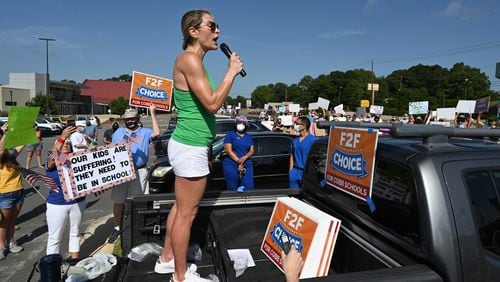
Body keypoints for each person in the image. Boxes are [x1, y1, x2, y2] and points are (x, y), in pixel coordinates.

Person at [156, 9, 243, 281]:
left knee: (180, 209)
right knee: (187, 214)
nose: (218, 31)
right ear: (194, 31)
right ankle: (180, 277)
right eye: (212, 26)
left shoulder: (195, 62)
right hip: (189, 144)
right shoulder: (189, 59)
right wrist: (231, 72)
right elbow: (213, 103)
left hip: (193, 144)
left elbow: (206, 105)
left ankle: (167, 259)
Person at [108, 105, 160, 243]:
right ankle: (117, 227)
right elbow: (110, 150)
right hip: (121, 172)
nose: (130, 121)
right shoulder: (118, 132)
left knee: (139, 200)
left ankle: (137, 226)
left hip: (139, 171)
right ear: (124, 120)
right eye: (127, 119)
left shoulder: (145, 132)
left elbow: (157, 134)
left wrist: (153, 113)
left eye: (133, 118)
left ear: (137, 119)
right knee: (119, 201)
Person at [45, 125, 86, 260]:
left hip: (77, 201)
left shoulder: (77, 160)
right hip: (57, 204)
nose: (66, 145)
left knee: (75, 233)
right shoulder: (53, 162)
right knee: (55, 237)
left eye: (68, 143)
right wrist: (62, 137)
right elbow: (53, 157)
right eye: (63, 144)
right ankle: (52, 266)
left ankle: (74, 260)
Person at [0, 123, 25, 260]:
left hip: (19, 191)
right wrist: (6, 134)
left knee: (12, 221)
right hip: (4, 194)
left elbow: (22, 144)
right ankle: (1, 247)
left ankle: (11, 242)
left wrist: (27, 129)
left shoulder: (12, 157)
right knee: (3, 222)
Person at [222, 117, 254, 191]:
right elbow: (228, 150)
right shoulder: (230, 135)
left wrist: (244, 158)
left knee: (248, 186)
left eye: (242, 124)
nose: (240, 125)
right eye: (239, 123)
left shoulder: (249, 137)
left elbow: (251, 150)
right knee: (232, 185)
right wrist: (238, 161)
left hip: (246, 163)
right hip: (231, 163)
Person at [289, 116, 316, 189]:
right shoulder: (295, 140)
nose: (295, 125)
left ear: (303, 126)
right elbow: (292, 156)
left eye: (297, 123)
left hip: (305, 172)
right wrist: (291, 170)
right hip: (295, 171)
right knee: (293, 195)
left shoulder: (312, 140)